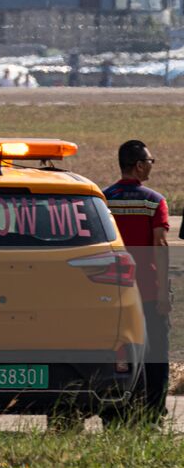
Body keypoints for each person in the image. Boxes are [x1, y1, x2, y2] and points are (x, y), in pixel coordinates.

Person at [103, 140, 170, 423]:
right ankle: (153, 412)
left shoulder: (103, 199)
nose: (152, 166)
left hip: (111, 292)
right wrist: (165, 292)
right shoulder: (154, 201)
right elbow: (161, 246)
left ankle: (114, 413)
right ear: (140, 165)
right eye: (151, 161)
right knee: (155, 354)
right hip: (147, 292)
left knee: (115, 352)